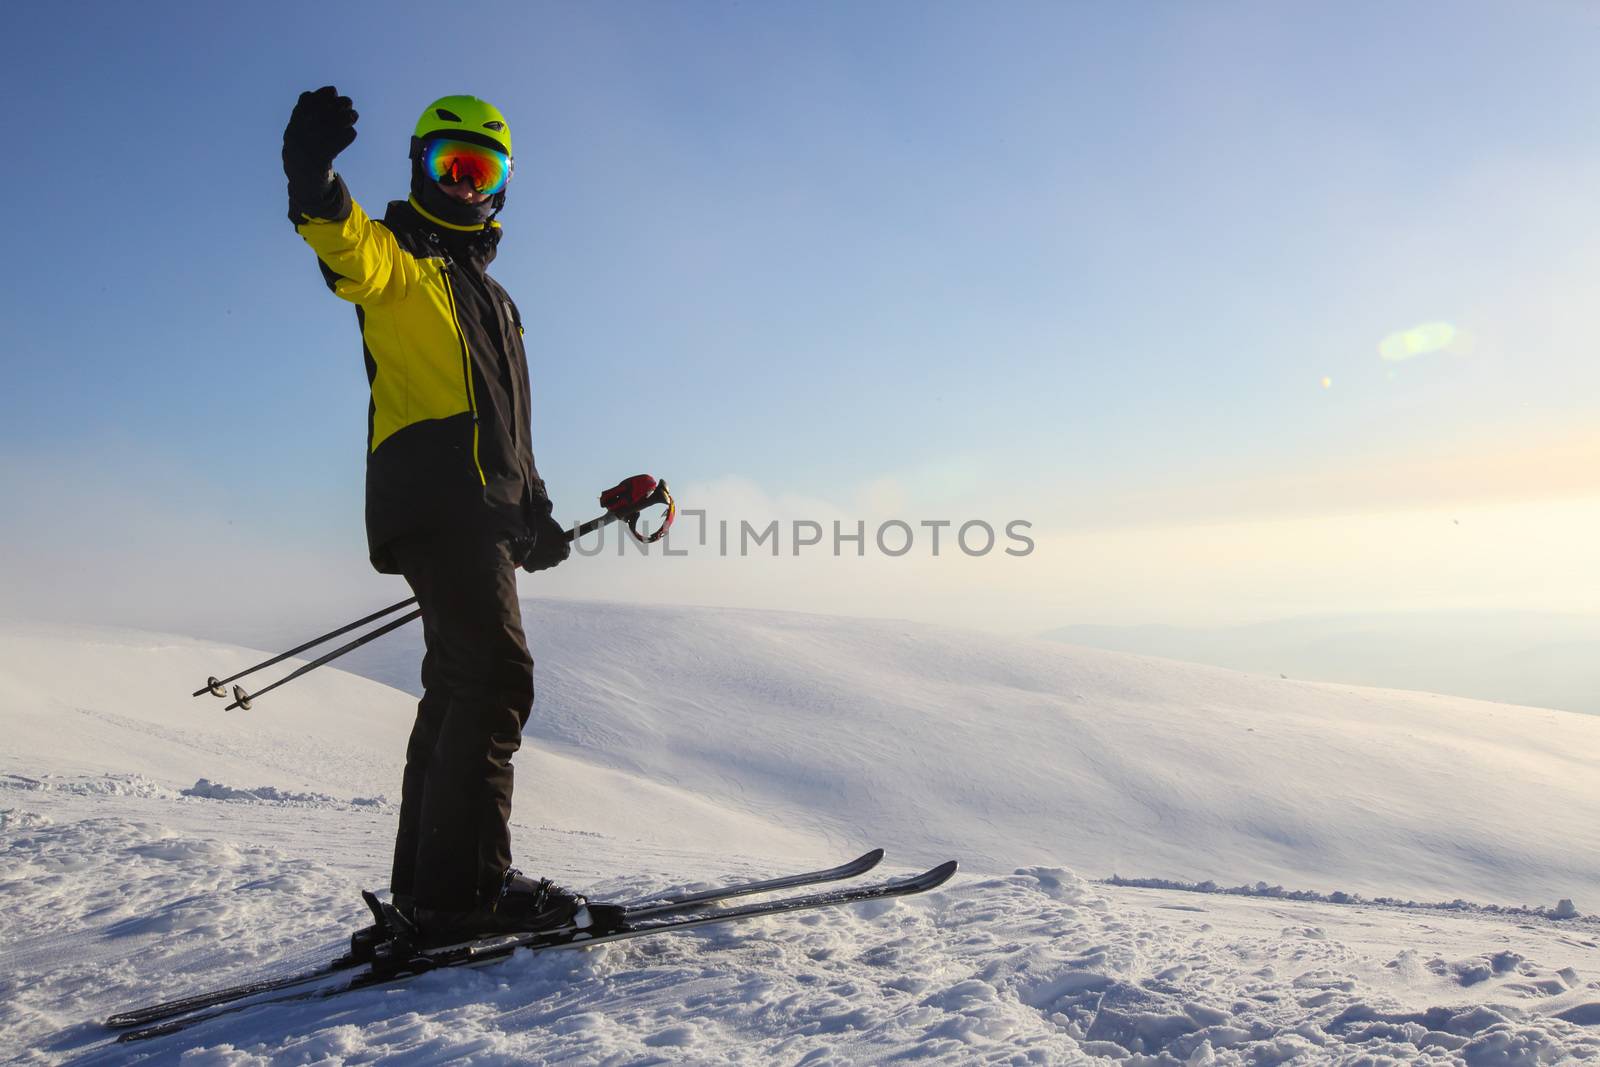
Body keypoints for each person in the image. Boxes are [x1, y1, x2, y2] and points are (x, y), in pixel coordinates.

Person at [281, 86, 583, 946]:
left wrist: (536, 511)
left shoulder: (493, 299)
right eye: (445, 165)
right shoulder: (400, 258)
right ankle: (465, 897)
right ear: (419, 168)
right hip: (437, 499)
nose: (460, 184)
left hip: (474, 506)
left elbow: (503, 421)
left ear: (500, 185)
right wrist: (312, 174)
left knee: (457, 684)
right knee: (493, 677)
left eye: (477, 169)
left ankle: (428, 886)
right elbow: (348, 249)